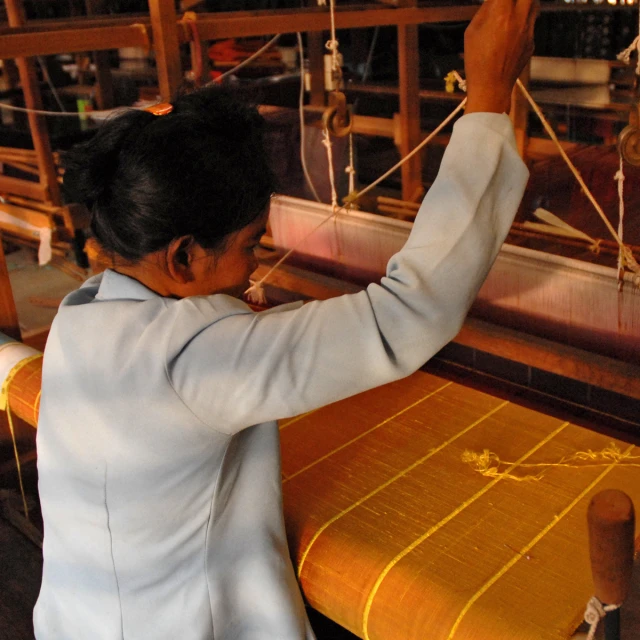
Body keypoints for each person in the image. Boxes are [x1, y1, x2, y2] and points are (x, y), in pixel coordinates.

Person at [34, 0, 538, 637]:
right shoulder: (199, 358)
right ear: (183, 254)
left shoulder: (81, 320)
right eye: (250, 243)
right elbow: (412, 311)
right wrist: (489, 98)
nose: (257, 264)